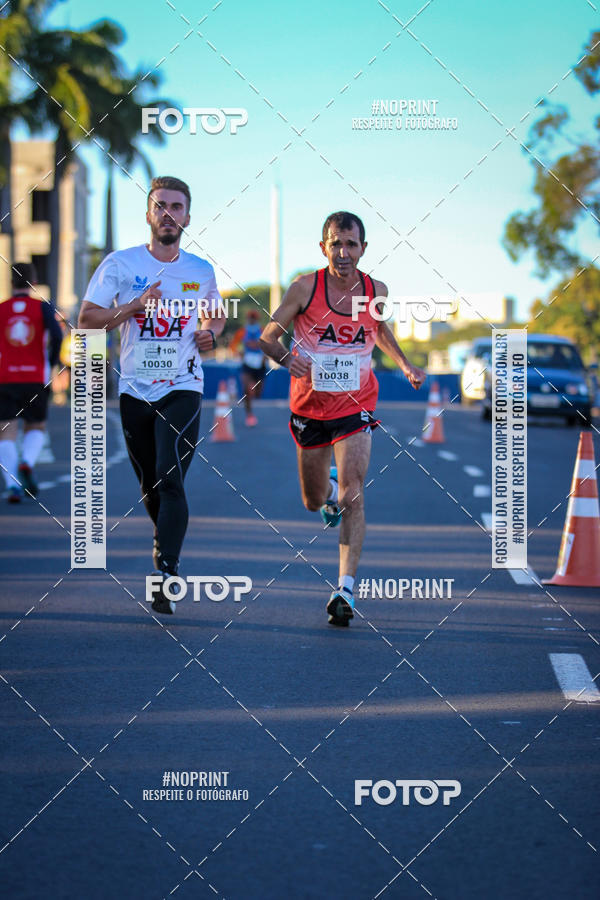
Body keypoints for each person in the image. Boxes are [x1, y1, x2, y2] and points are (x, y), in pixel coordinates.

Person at [260, 211, 426, 626]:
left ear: (363, 249)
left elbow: (380, 329)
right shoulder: (304, 288)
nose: (344, 251)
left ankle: (345, 590)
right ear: (324, 248)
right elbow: (267, 335)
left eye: (352, 244)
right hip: (309, 407)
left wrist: (404, 365)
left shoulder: (376, 289)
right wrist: (286, 358)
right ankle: (327, 488)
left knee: (354, 494)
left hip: (357, 404)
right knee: (314, 500)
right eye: (336, 243)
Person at [78, 176, 226, 615]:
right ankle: (165, 544)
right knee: (150, 486)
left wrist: (209, 334)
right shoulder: (119, 265)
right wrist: (132, 307)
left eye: (176, 207)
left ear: (187, 218)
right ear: (148, 214)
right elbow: (87, 318)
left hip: (183, 384)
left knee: (169, 475)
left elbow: (215, 317)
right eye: (160, 206)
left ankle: (166, 573)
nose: (168, 214)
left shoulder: (200, 270)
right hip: (135, 389)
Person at [0, 262, 62, 503]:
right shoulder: (43, 309)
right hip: (36, 377)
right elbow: (56, 335)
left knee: (6, 430)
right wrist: (52, 360)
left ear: (10, 283)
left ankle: (13, 486)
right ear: (34, 283)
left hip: (5, 378)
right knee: (36, 426)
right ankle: (27, 460)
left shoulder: (2, 309)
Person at [230, 308, 267, 425]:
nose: (251, 320)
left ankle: (254, 396)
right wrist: (238, 353)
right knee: (247, 388)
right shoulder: (242, 332)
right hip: (247, 364)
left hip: (260, 364)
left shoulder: (262, 331)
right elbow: (233, 346)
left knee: (257, 392)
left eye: (253, 318)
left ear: (257, 319)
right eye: (250, 318)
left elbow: (270, 344)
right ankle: (249, 415)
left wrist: (266, 355)